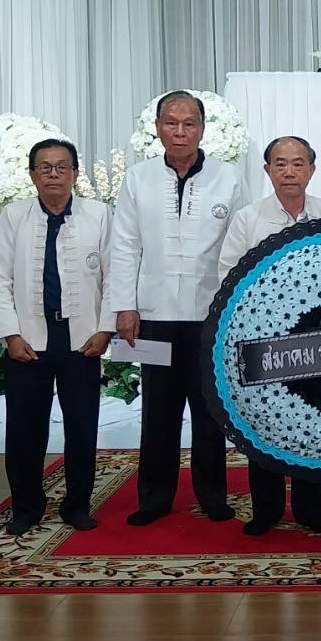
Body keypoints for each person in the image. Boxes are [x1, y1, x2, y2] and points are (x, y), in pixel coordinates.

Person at [110, 91, 244, 527]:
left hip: (210, 315)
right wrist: (124, 306)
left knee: (209, 410)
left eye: (189, 123)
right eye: (171, 122)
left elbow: (241, 245)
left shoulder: (229, 178)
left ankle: (212, 495)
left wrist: (235, 310)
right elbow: (124, 245)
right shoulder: (138, 178)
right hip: (154, 314)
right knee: (158, 411)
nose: (180, 131)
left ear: (202, 129)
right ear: (158, 128)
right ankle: (154, 497)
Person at [216, 136, 321, 535]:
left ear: (312, 169)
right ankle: (267, 509)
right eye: (280, 164)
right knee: (264, 423)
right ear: (267, 170)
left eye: (298, 163)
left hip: (317, 342)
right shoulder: (248, 219)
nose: (289, 172)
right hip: (263, 340)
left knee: (314, 420)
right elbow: (228, 276)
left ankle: (309, 507)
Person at [0, 138, 115, 536]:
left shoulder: (99, 215)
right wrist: (10, 334)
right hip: (28, 339)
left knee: (82, 426)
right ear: (32, 174)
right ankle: (26, 506)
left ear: (75, 173)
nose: (53, 174)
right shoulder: (14, 216)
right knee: (24, 429)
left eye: (61, 167)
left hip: (82, 338)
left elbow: (114, 275)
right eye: (45, 167)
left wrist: (104, 328)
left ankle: (77, 504)